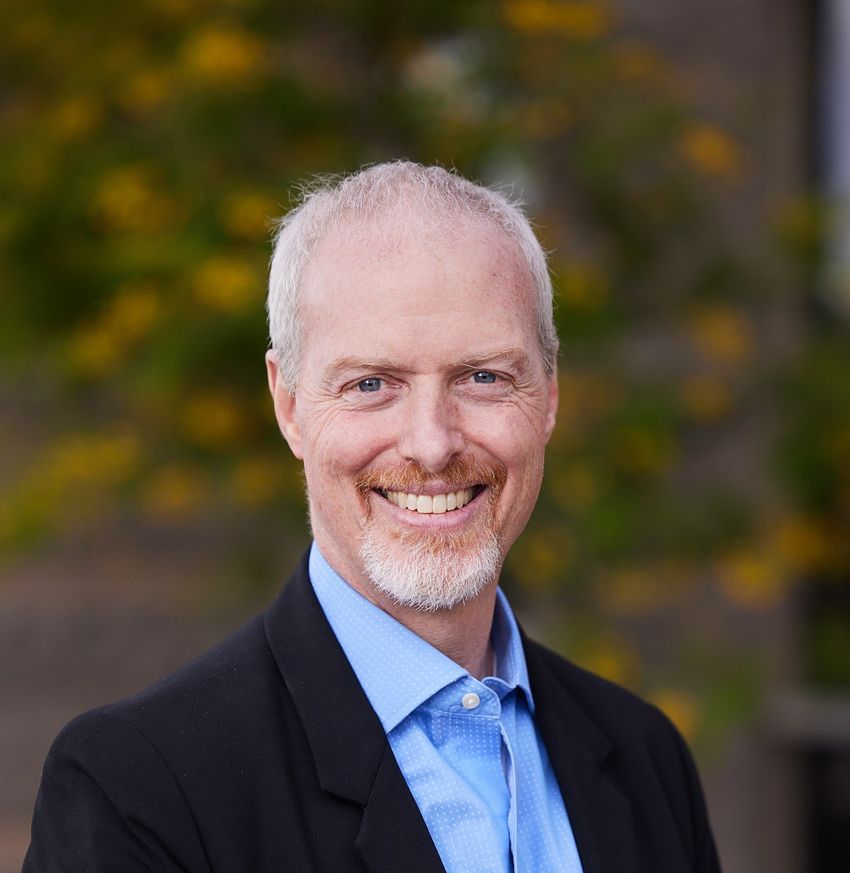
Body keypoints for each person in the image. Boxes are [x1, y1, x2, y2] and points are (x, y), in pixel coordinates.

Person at [24, 161, 722, 873]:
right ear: (289, 405)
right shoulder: (138, 790)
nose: (432, 443)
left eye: (483, 376)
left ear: (547, 397)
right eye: (370, 384)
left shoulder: (646, 759)